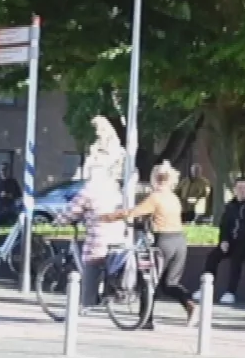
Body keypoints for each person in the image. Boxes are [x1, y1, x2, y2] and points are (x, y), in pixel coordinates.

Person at [106, 164, 196, 326]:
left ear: (155, 179)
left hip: (164, 242)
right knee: (170, 283)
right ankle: (188, 302)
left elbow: (134, 212)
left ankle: (146, 319)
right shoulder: (173, 198)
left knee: (148, 280)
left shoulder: (155, 197)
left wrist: (110, 217)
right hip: (180, 241)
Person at [58, 120, 127, 309]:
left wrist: (60, 221)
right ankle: (108, 293)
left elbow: (73, 209)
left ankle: (87, 303)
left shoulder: (92, 187)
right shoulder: (113, 186)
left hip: (100, 238)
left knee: (91, 258)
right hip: (118, 236)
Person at [204, 176, 245, 305]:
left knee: (236, 259)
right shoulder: (231, 205)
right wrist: (223, 240)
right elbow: (224, 225)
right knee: (213, 256)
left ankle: (230, 292)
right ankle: (205, 289)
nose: (242, 191)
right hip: (231, 241)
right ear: (234, 189)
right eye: (239, 188)